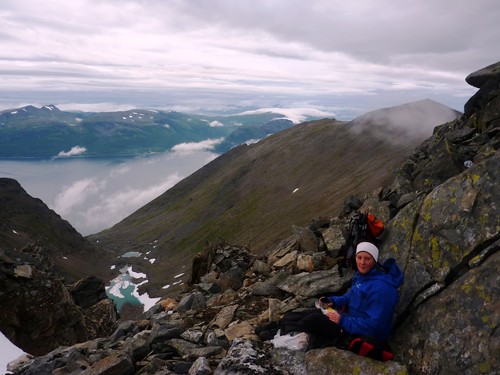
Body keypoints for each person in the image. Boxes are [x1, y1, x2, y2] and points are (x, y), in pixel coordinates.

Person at [257, 242, 403, 349]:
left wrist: (342, 321)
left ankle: (275, 334)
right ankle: (280, 325)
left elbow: (375, 327)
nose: (362, 263)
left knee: (313, 319)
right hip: (349, 319)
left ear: (375, 261)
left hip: (361, 333)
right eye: (359, 258)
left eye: (367, 259)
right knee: (298, 314)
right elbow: (351, 296)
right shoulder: (363, 276)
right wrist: (332, 301)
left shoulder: (383, 289)